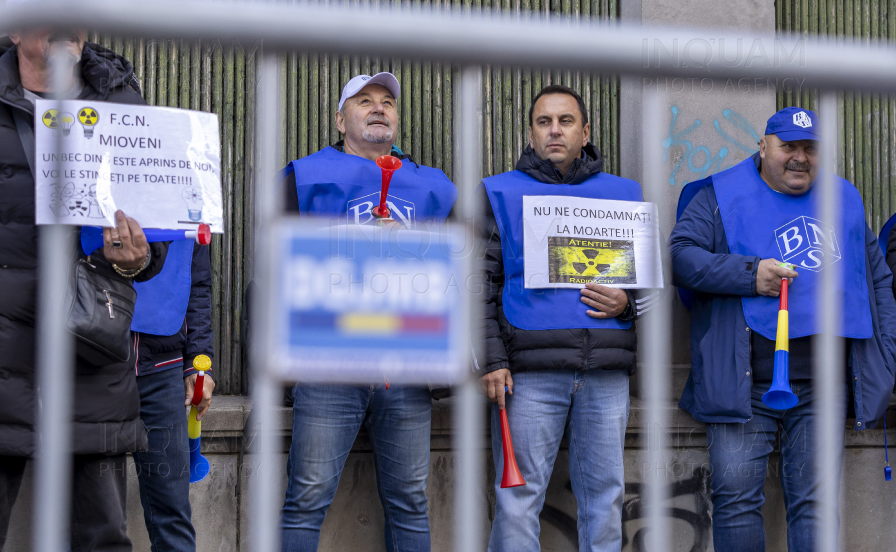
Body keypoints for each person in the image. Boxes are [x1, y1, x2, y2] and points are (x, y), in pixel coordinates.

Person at [0, 0, 169, 552]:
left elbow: (153, 246)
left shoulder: (124, 110)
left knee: (101, 538)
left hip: (88, 353)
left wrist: (134, 261)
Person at [669, 106, 896, 552]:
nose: (799, 157)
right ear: (763, 146)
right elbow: (681, 256)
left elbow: (878, 280)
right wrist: (749, 275)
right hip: (744, 382)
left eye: (809, 148)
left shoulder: (844, 197)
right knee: (735, 500)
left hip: (823, 385)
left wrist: (886, 354)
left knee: (815, 504)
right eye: (787, 146)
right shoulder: (718, 195)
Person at [277, 72, 457, 551]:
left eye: (387, 103)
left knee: (411, 501)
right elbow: (276, 268)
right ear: (341, 119)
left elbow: (459, 274)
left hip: (406, 371)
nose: (379, 108)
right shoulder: (303, 175)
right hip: (327, 368)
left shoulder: (433, 187)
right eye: (364, 101)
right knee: (307, 497)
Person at [478, 85, 649, 552]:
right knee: (517, 499)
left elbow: (650, 288)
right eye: (544, 121)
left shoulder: (623, 194)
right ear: (531, 132)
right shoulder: (499, 192)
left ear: (585, 130)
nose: (555, 130)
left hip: (606, 375)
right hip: (527, 376)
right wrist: (492, 361)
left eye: (566, 120)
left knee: (606, 498)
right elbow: (478, 285)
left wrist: (628, 304)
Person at [131, 239, 214, 551]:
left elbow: (199, 282)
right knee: (90, 514)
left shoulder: (190, 192)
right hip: (95, 358)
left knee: (172, 515)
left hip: (163, 365)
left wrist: (199, 362)